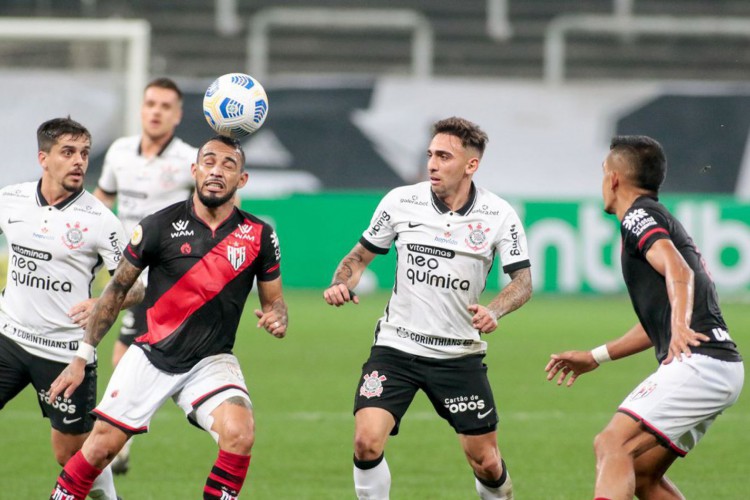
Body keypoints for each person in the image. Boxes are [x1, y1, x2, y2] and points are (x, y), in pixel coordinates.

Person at [48, 134, 287, 500]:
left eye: (228, 165)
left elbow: (274, 302)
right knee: (99, 450)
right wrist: (82, 356)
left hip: (211, 361)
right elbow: (117, 291)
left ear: (242, 180)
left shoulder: (259, 235)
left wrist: (276, 317)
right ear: (194, 170)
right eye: (209, 162)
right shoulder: (158, 225)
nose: (216, 171)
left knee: (240, 432)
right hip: (151, 355)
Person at [324, 117, 532, 499]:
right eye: (430, 155)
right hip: (396, 348)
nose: (432, 164)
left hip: (458, 356)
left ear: (471, 165)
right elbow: (358, 258)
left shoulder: (498, 215)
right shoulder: (400, 201)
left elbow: (523, 282)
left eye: (444, 156)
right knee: (366, 441)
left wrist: (495, 311)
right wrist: (341, 282)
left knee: (485, 460)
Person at [545, 135, 744, 500]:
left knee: (610, 444)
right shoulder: (654, 216)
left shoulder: (639, 214)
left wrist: (681, 325)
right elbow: (660, 318)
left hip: (700, 361)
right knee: (641, 473)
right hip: (718, 364)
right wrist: (595, 356)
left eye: (603, 172)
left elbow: (678, 270)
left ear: (614, 179)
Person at [0, 117, 144, 500]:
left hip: (65, 356)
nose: (79, 161)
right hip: (8, 340)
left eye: (83, 152)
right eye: (68, 152)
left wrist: (104, 301)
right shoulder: (10, 199)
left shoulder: (101, 221)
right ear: (43, 158)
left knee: (71, 455)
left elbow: (137, 288)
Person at [93, 77, 197, 474]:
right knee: (136, 354)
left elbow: (223, 206)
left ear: (178, 114)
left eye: (165, 106)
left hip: (167, 276)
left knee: (125, 354)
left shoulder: (189, 158)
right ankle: (121, 438)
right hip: (126, 270)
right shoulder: (120, 152)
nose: (156, 111)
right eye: (150, 103)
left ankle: (116, 443)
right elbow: (103, 200)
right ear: (141, 107)